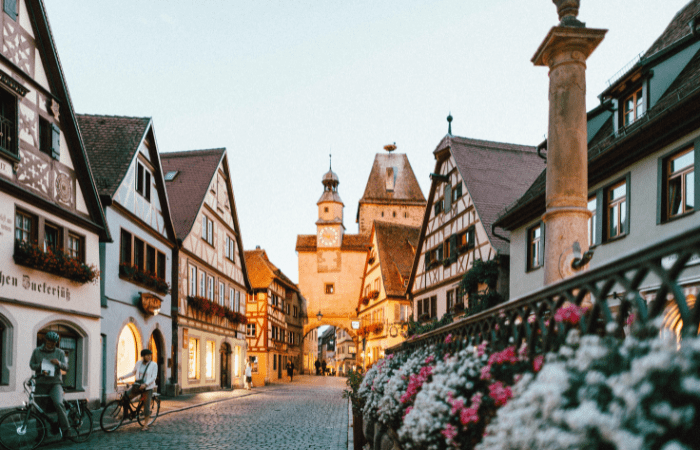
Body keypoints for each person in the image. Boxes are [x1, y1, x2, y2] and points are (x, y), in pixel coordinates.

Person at [29, 331, 73, 438]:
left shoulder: (60, 353)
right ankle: (41, 434)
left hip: (55, 383)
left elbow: (66, 367)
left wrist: (59, 363)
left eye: (53, 343)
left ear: (56, 343)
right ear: (45, 341)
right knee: (39, 409)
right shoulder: (37, 351)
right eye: (49, 343)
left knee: (58, 403)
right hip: (41, 383)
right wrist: (40, 365)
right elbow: (31, 365)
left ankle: (66, 430)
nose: (51, 345)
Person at [118, 349, 158, 431]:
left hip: (147, 388)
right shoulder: (138, 363)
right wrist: (123, 377)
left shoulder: (154, 365)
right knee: (125, 398)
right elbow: (133, 372)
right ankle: (125, 415)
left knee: (146, 406)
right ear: (143, 356)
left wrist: (146, 384)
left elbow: (153, 377)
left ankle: (145, 425)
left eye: (150, 355)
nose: (149, 357)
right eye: (147, 355)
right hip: (137, 386)